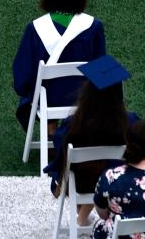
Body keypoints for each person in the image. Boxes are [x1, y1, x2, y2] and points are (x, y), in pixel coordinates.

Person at [13, 0, 106, 132]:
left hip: (48, 101)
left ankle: (50, 133)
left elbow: (23, 75)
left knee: (45, 90)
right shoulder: (94, 27)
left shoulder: (35, 29)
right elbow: (101, 70)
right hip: (83, 99)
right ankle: (77, 133)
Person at [46, 56, 138, 226]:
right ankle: (89, 216)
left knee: (78, 169)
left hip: (80, 184)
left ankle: (82, 215)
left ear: (87, 92)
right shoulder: (130, 122)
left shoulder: (74, 123)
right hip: (118, 185)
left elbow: (61, 151)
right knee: (106, 168)